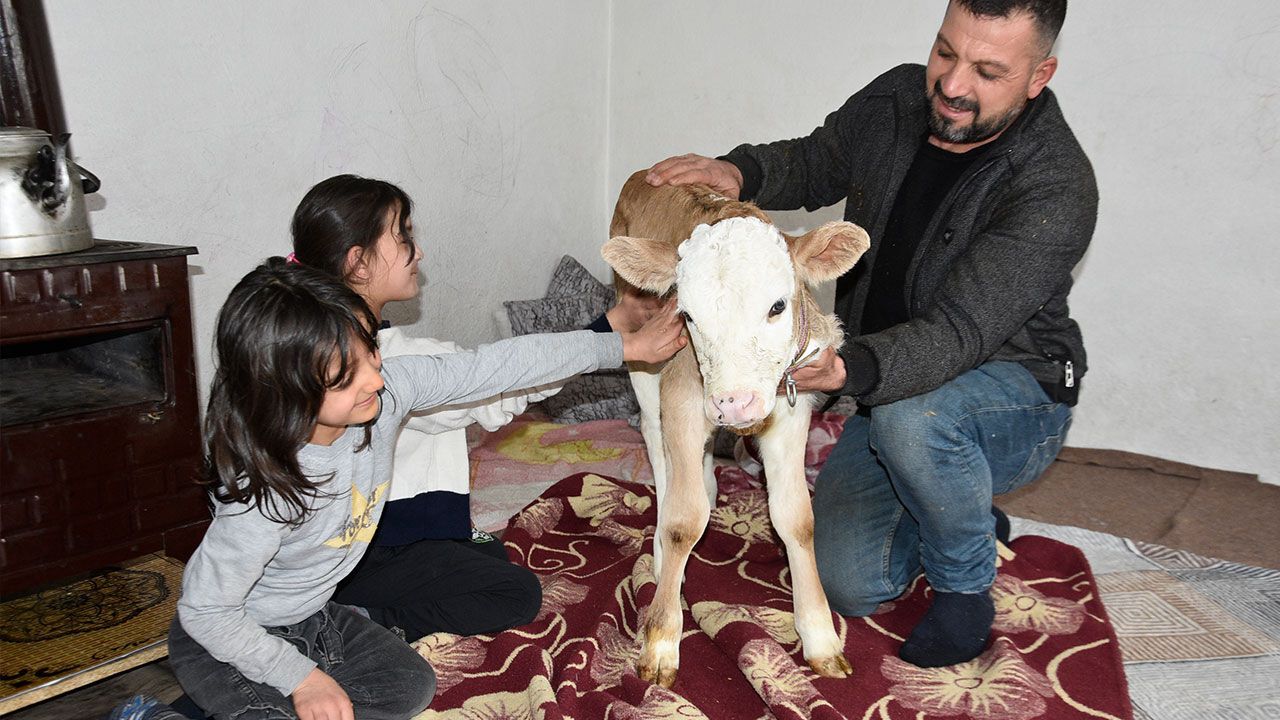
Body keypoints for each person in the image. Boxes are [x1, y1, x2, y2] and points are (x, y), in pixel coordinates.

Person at [645, 0, 1096, 668]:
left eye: (987, 71)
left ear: (1039, 76)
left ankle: (965, 584)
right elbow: (817, 159)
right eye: (945, 52)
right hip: (890, 386)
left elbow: (958, 332)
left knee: (918, 421)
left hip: (1012, 393)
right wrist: (738, 172)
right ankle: (953, 501)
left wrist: (847, 370)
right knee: (851, 582)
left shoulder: (1056, 185)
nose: (952, 84)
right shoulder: (896, 99)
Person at [111, 259, 685, 720]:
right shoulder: (264, 492)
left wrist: (621, 347)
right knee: (290, 702)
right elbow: (206, 611)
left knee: (410, 685)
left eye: (371, 352)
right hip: (227, 638)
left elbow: (499, 364)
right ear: (282, 389)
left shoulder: (385, 396)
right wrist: (303, 679)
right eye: (347, 376)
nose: (376, 379)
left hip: (314, 618)